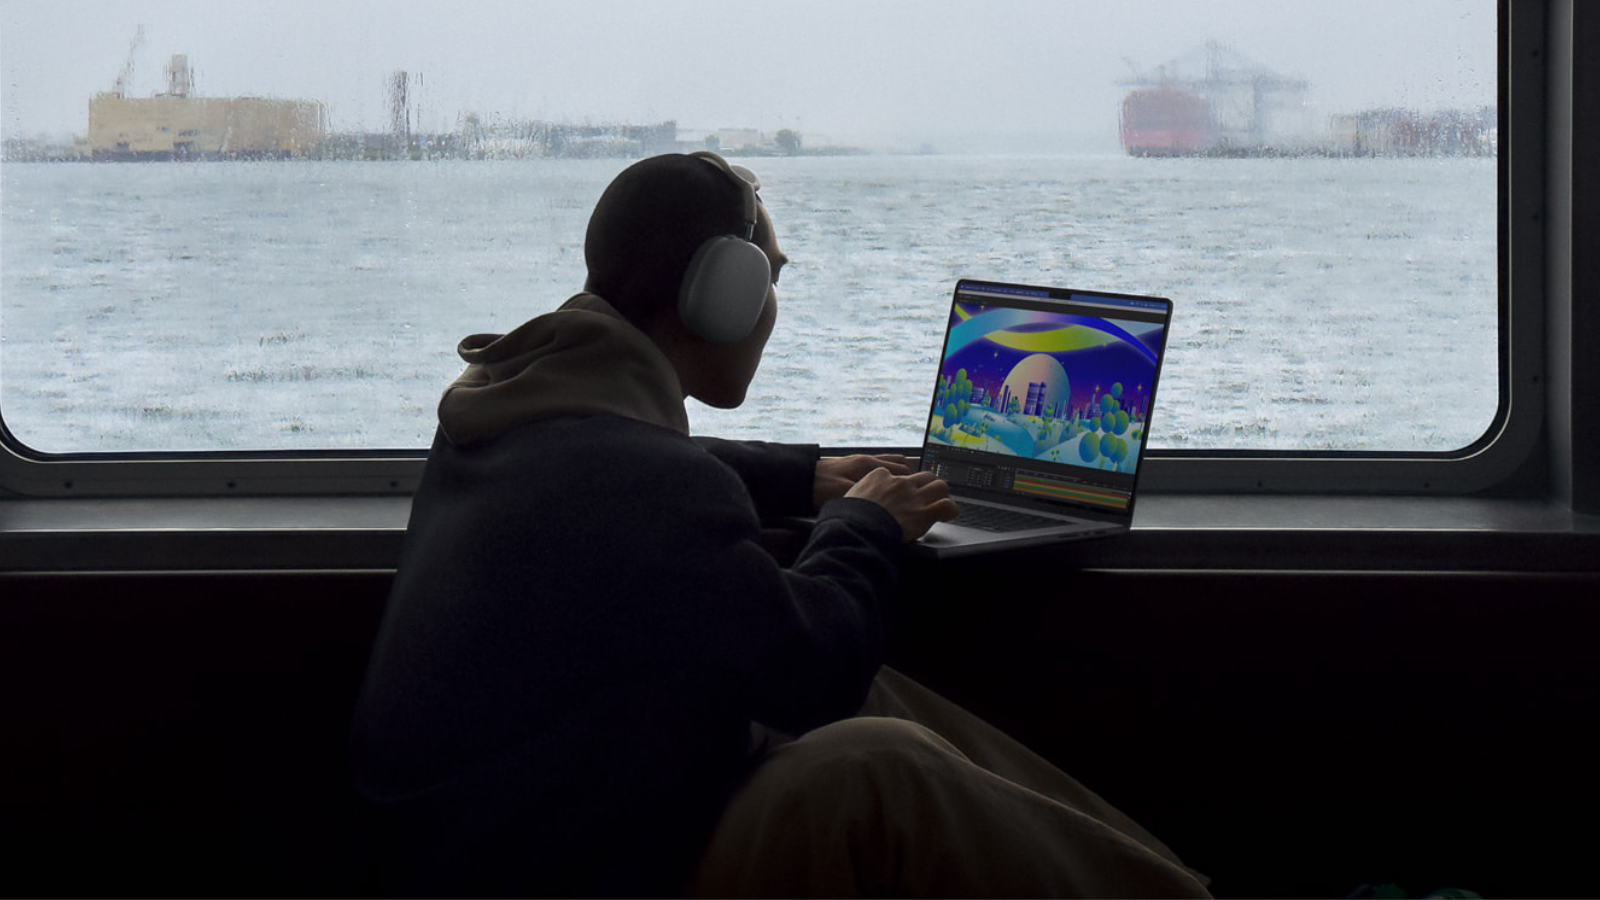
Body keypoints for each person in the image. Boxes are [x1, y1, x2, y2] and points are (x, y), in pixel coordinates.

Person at [349, 152, 1210, 897]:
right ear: (723, 294)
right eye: (770, 277)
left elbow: (623, 458)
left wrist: (801, 474)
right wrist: (865, 521)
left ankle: (1166, 884)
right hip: (570, 879)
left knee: (878, 699)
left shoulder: (503, 412)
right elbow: (817, 667)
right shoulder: (643, 483)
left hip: (501, 850)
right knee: (880, 768)